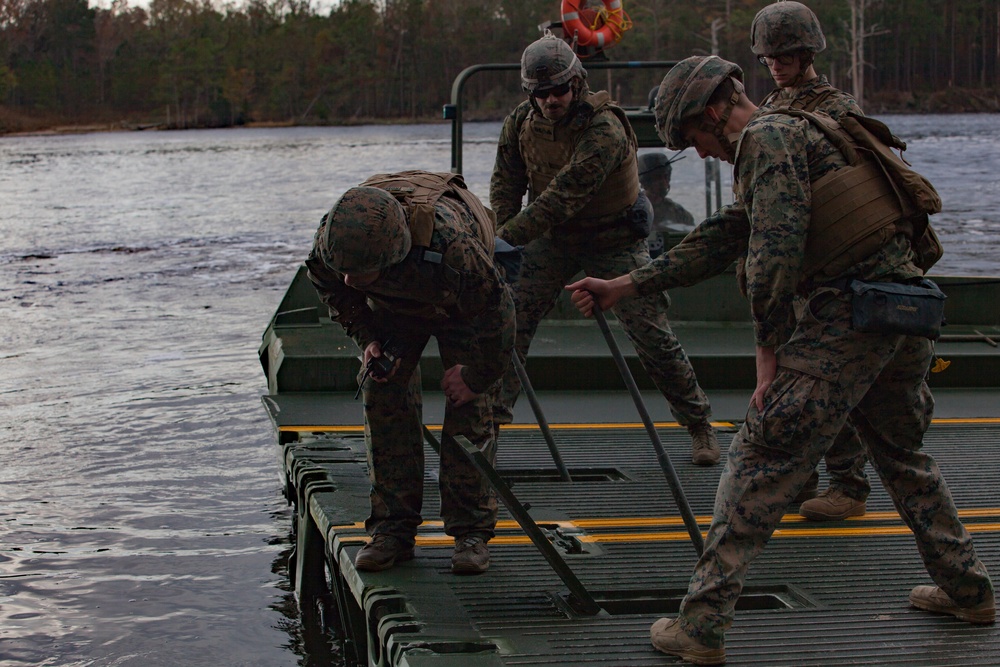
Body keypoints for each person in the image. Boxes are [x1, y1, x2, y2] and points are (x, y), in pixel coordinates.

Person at [568, 55, 995, 665]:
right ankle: (969, 589)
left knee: (759, 456)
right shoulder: (796, 130)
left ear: (713, 111)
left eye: (694, 138)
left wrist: (767, 359)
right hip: (903, 314)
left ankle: (701, 626)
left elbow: (772, 258)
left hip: (848, 320)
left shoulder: (766, 142)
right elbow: (726, 235)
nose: (703, 154)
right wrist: (626, 285)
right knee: (902, 455)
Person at [490, 31, 721, 466]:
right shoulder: (520, 124)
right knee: (508, 320)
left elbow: (563, 195)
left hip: (612, 239)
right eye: (541, 93)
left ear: (575, 83)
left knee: (651, 333)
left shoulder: (605, 128)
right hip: (551, 240)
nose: (551, 101)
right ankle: (488, 426)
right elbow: (507, 183)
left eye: (559, 90)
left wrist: (503, 240)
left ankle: (698, 424)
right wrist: (501, 236)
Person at [305, 170, 516, 575]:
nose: (348, 278)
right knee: (382, 393)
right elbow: (336, 291)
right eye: (343, 268)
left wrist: (474, 378)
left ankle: (470, 532)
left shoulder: (454, 247)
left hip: (457, 301)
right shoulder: (332, 246)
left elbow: (499, 315)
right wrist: (368, 338)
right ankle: (392, 531)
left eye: (357, 271)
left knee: (468, 410)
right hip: (394, 304)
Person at [752, 0, 871, 521]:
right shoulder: (771, 106)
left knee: (829, 381)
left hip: (835, 259)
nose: (777, 64)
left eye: (787, 55)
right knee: (794, 382)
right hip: (794, 260)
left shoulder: (839, 109)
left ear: (807, 53)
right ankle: (802, 477)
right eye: (770, 57)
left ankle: (849, 484)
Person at [637, 151, 695, 259]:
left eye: (666, 177)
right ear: (645, 181)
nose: (664, 183)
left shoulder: (680, 214)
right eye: (658, 178)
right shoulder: (633, 212)